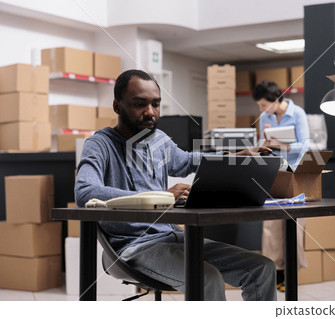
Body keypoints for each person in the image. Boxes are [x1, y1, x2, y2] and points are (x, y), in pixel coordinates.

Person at [75, 69, 277, 301]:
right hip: (134, 246)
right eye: (140, 104)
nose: (150, 112)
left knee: (263, 268)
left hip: (172, 236)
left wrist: (235, 155)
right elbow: (85, 192)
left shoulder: (158, 140)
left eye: (156, 104)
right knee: (206, 278)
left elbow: (188, 160)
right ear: (117, 106)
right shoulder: (100, 144)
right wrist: (160, 196)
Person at [252, 80, 310, 291]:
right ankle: (275, 271)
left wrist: (280, 145)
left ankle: (291, 273)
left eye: (263, 105)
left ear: (276, 100)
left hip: (294, 173)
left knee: (294, 223)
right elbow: (261, 140)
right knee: (271, 223)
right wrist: (264, 145)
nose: (261, 110)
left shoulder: (298, 114)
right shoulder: (266, 116)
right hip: (274, 172)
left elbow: (305, 145)